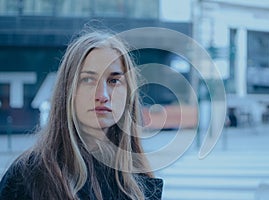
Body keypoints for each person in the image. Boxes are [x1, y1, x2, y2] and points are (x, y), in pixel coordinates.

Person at [0, 29, 163, 200]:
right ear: (68, 90)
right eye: (88, 80)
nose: (103, 96)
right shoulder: (26, 177)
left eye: (114, 81)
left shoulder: (139, 181)